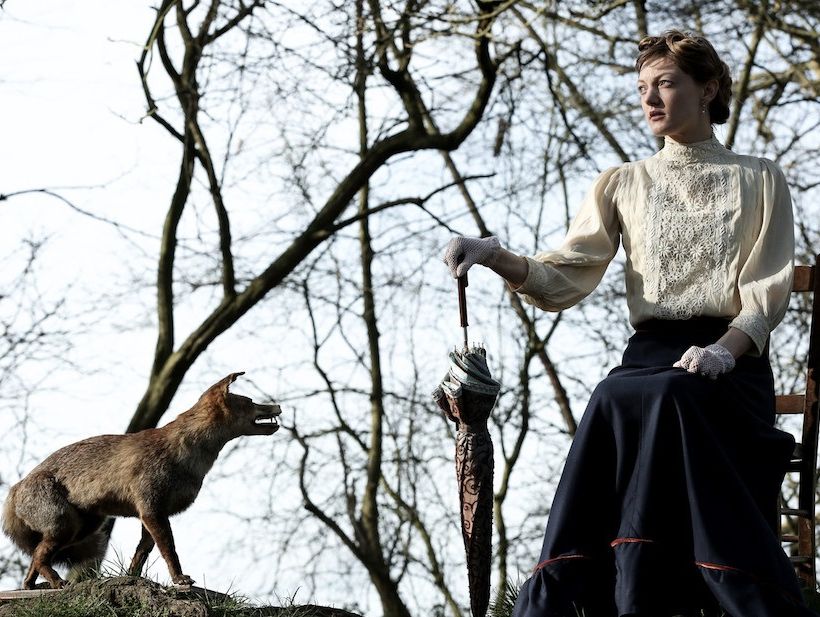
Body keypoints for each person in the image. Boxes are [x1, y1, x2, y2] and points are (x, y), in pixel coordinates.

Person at [443, 30, 817, 617]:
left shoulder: (759, 177)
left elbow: (765, 294)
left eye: (666, 83)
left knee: (665, 391)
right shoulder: (623, 183)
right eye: (643, 88)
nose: (651, 99)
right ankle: (587, 596)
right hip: (648, 358)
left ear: (708, 88)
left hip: (730, 368)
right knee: (615, 393)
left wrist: (724, 348)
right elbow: (568, 274)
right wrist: (496, 256)